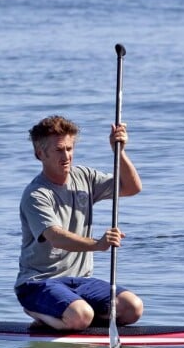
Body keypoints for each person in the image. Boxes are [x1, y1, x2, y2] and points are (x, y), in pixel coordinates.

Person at [15, 115, 144, 330]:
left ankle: (76, 320)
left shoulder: (84, 177)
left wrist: (119, 152)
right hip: (38, 283)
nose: (66, 156)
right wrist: (98, 244)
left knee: (133, 308)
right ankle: (38, 312)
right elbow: (55, 237)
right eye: (59, 150)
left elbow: (131, 188)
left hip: (81, 282)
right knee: (81, 316)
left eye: (69, 148)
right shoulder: (36, 194)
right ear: (40, 153)